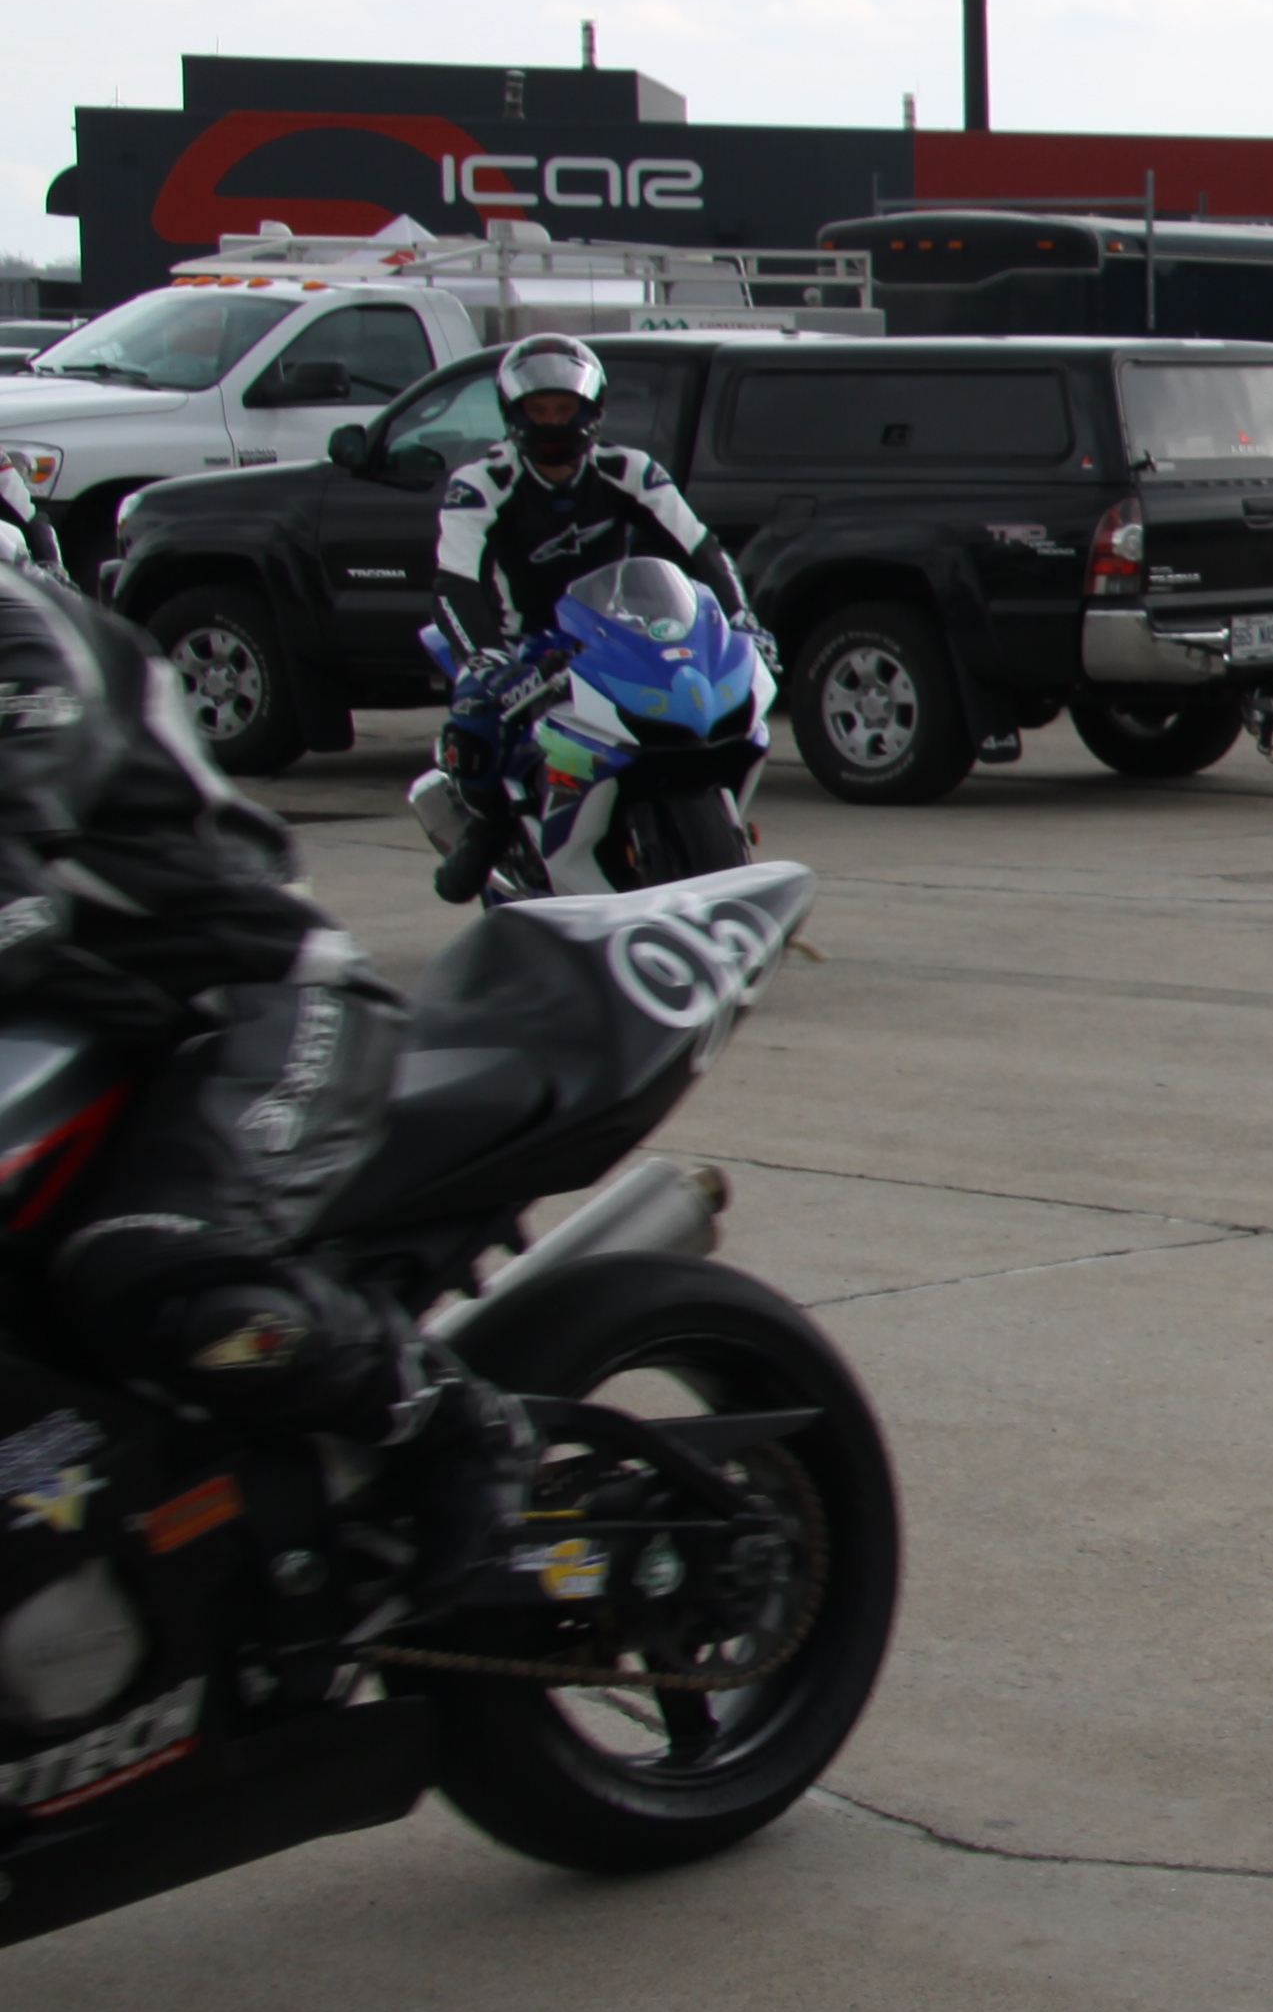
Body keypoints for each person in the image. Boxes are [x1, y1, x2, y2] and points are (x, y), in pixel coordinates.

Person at [0, 555, 529, 1609]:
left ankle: (456, 1424)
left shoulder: (20, 629)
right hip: (86, 1037)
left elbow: (15, 868)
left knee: (160, 1268)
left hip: (252, 1003)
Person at [432, 336, 760, 899]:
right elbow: (454, 580)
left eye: (565, 408)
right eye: (539, 410)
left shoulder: (630, 469)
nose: (553, 422)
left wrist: (742, 620)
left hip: (620, 630)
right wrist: (487, 660)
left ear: (592, 410)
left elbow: (700, 549)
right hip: (523, 643)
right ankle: (490, 830)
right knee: (474, 718)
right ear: (513, 413)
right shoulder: (480, 483)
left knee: (704, 706)